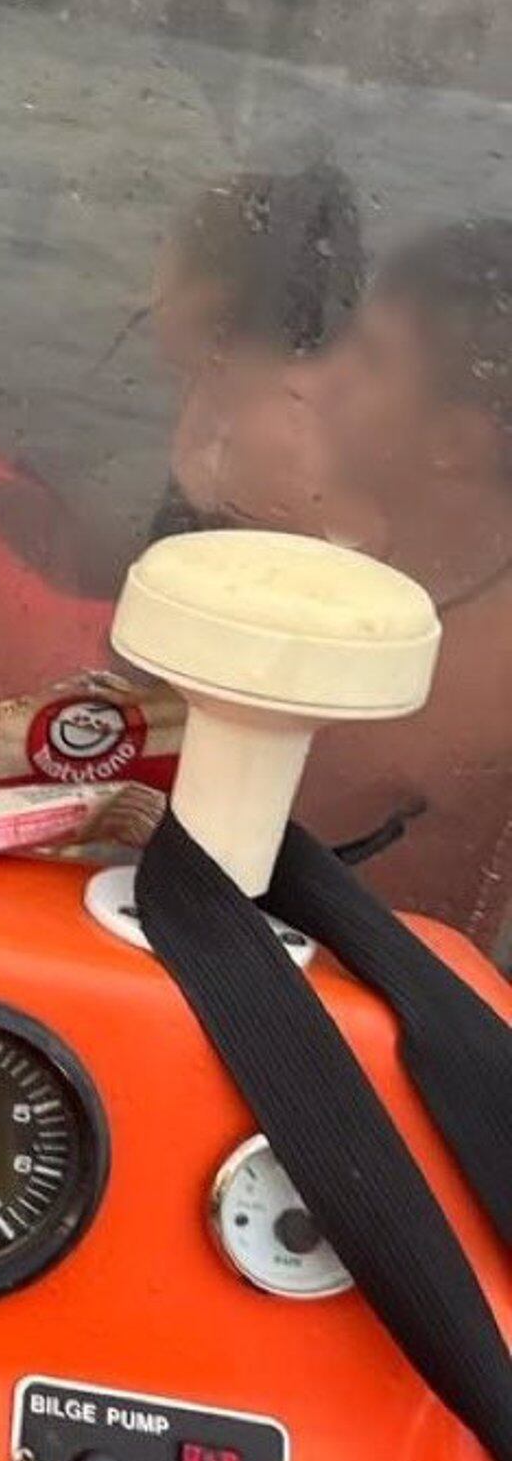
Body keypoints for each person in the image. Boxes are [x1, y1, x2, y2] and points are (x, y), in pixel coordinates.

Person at [300, 219, 512, 947]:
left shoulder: (476, 688)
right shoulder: (387, 561)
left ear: (454, 445)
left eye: (369, 360)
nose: (322, 380)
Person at [143, 165, 375, 546]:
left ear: (207, 301)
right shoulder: (216, 391)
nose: (145, 300)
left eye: (162, 276)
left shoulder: (272, 442)